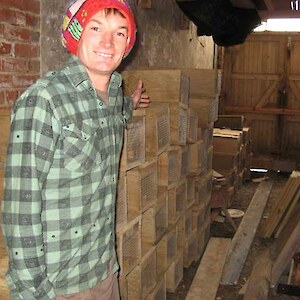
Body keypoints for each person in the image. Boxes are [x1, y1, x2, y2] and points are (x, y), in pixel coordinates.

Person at [1, 0, 149, 299]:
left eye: (120, 33)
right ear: (76, 33)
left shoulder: (113, 99)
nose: (108, 41)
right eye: (96, 28)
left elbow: (116, 114)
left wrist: (131, 102)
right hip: (61, 285)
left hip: (104, 268)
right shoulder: (44, 100)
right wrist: (33, 292)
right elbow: (20, 209)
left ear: (127, 44)